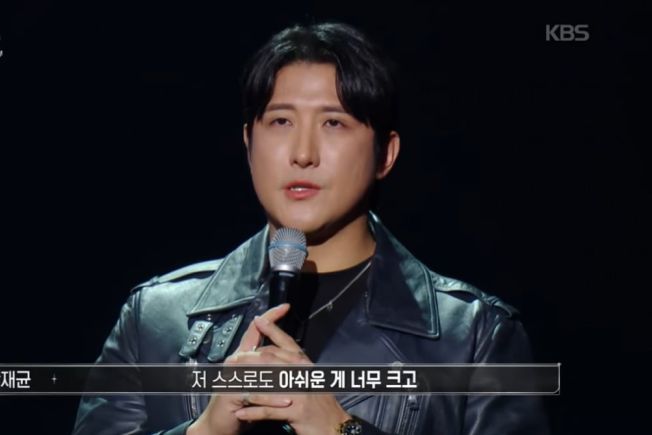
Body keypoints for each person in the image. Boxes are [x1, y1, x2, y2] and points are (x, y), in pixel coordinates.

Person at [72, 22, 549, 435]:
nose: (303, 153)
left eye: (334, 124)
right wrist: (206, 430)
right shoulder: (157, 320)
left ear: (385, 154)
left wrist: (339, 428)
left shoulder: (473, 337)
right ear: (248, 142)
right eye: (281, 121)